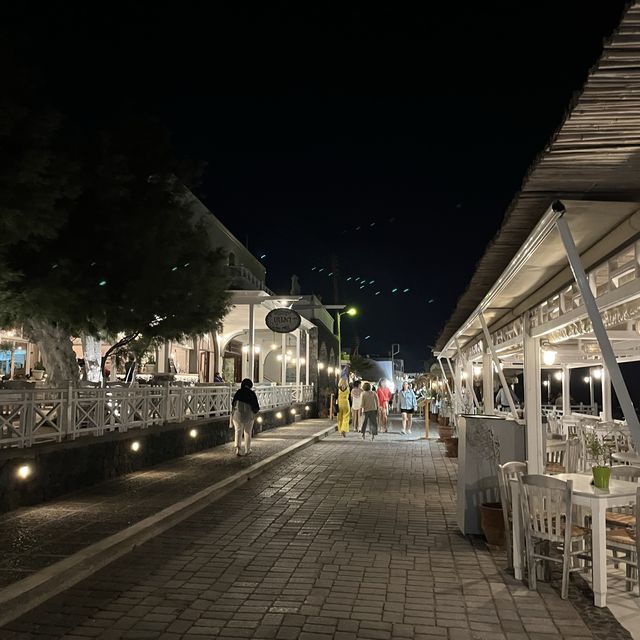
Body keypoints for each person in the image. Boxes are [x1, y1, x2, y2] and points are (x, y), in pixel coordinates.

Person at [231, 378, 260, 456]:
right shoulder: (251, 393)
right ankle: (247, 449)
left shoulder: (238, 392)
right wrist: (254, 412)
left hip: (237, 415)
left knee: (238, 431)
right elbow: (256, 406)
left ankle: (238, 449)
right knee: (247, 432)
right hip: (248, 415)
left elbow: (233, 403)